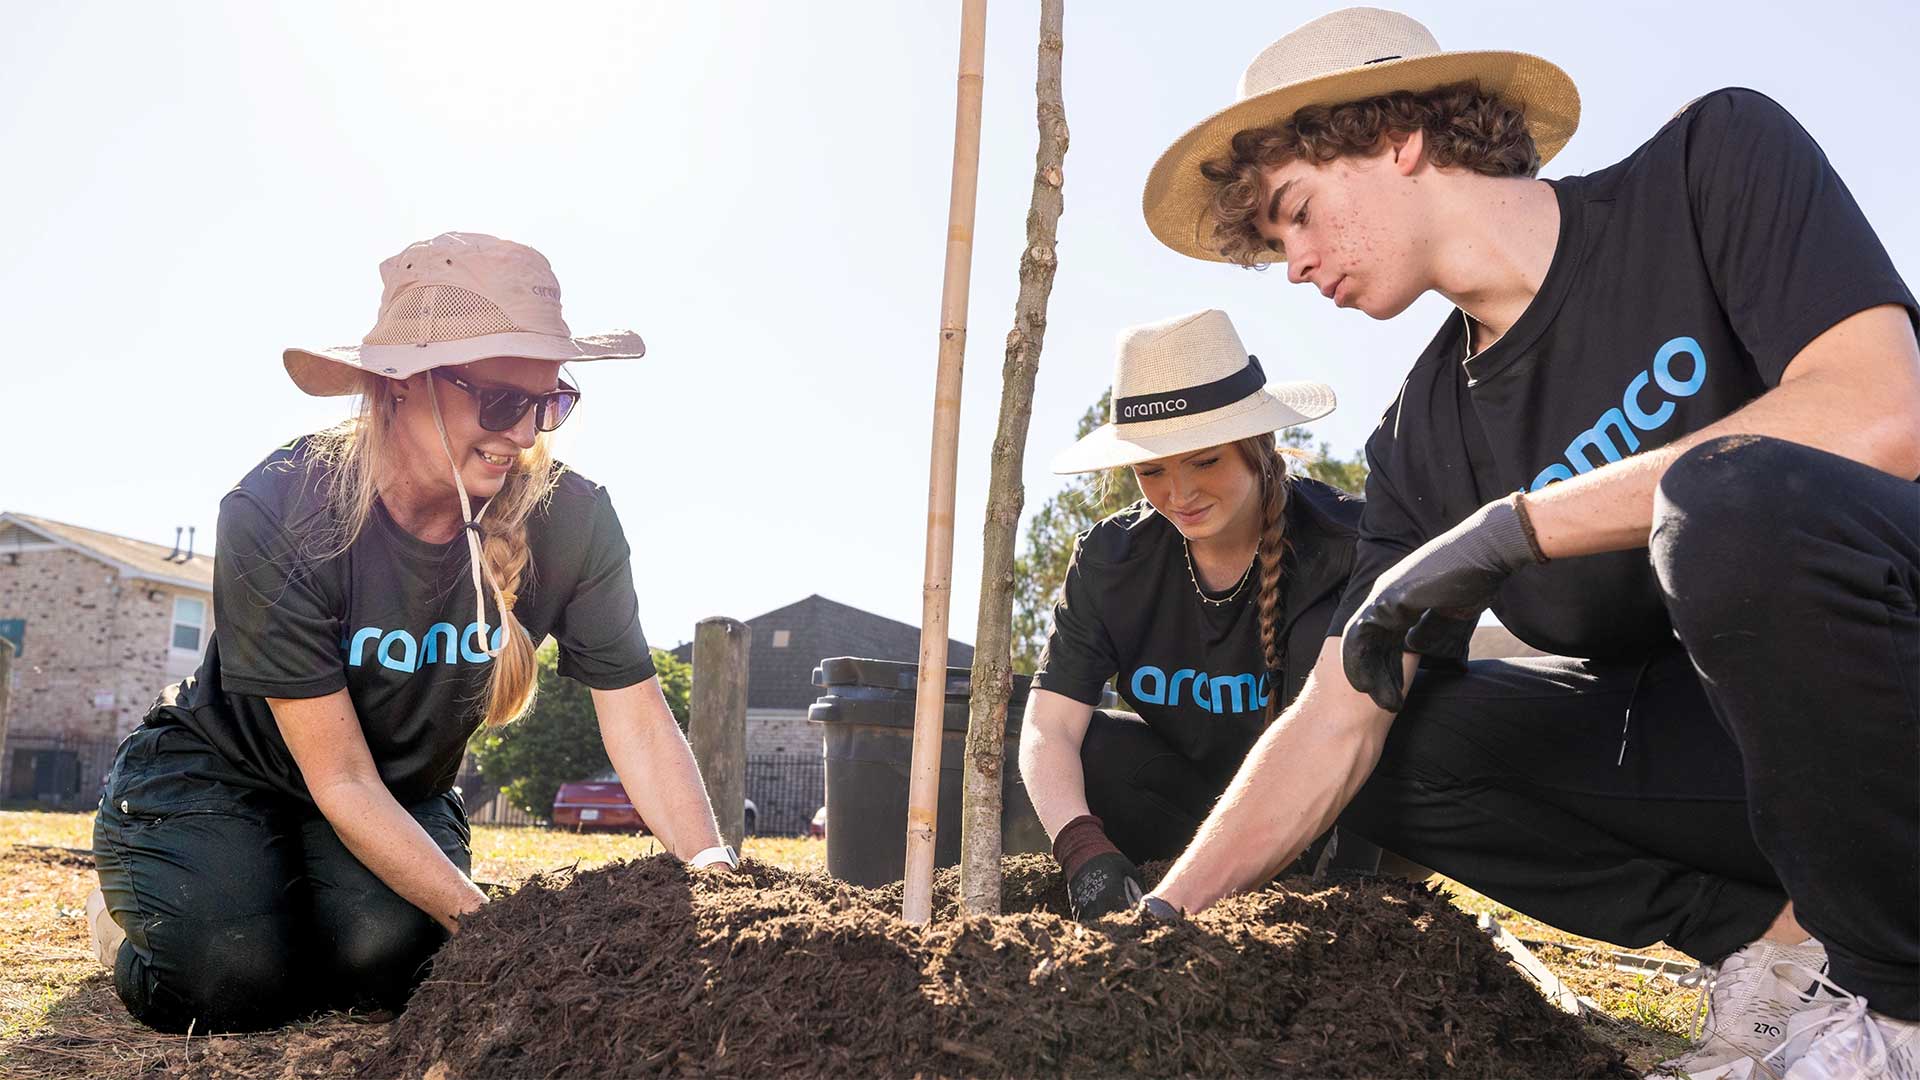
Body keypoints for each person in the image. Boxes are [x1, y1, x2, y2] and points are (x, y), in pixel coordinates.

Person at [1135, 9, 1919, 1079]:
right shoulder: (1419, 437)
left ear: (1395, 135)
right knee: (1399, 740)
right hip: (1739, 772)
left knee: (1728, 505)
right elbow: (1335, 713)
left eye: (1300, 213)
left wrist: (1515, 529)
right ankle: (1785, 953)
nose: (1299, 264)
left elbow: (1883, 415)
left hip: (1893, 694)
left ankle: (1899, 999)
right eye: (1279, 244)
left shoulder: (1706, 169)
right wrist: (1159, 924)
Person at [87, 232, 738, 1034]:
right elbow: (341, 780)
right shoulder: (279, 509)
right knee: (227, 979)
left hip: (394, 791)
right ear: (399, 389)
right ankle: (147, 903)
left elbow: (637, 715)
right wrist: (499, 930)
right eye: (503, 402)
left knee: (395, 965)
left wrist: (715, 876)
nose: (528, 434)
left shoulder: (575, 519)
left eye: (551, 402)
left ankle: (291, 908)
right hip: (225, 773)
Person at [1022, 309, 1379, 922]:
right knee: (1089, 744)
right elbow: (1047, 727)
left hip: (1330, 816)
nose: (1179, 493)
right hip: (1188, 815)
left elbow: (1353, 734)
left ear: (1256, 445)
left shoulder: (1346, 545)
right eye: (1152, 470)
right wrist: (1084, 853)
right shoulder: (1112, 562)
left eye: (1205, 460)